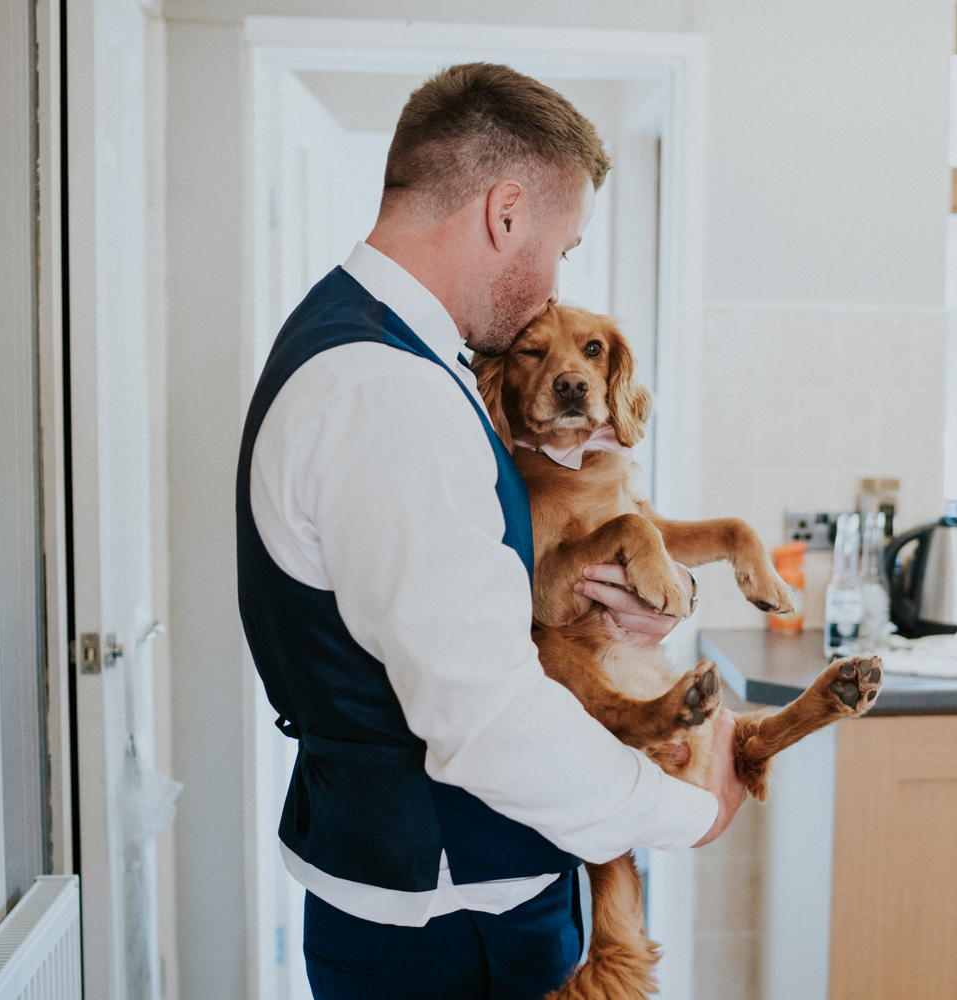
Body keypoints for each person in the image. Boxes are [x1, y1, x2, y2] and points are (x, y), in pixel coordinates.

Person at [235, 63, 746, 1000]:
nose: (555, 280)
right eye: (563, 246)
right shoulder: (388, 391)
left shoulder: (362, 344)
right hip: (453, 918)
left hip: (433, 892)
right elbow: (485, 721)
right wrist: (684, 813)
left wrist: (618, 606)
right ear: (506, 213)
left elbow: (480, 604)